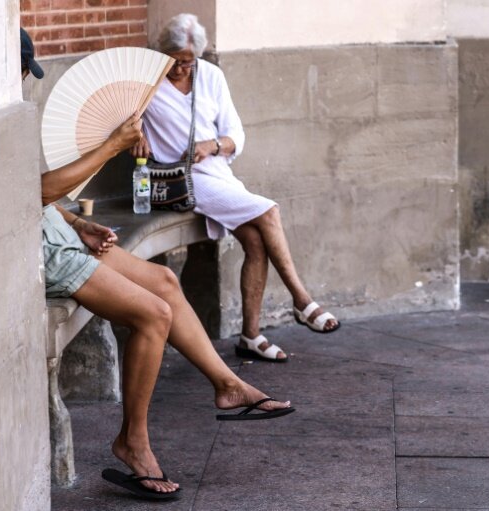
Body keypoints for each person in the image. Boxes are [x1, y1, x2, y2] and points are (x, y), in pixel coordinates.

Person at [20, 28, 293, 500]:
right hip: (44, 250)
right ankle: (133, 442)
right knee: (154, 315)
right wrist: (111, 145)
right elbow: (38, 191)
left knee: (164, 280)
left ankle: (228, 384)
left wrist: (79, 223)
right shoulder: (1, 113)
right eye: (25, 69)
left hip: (58, 230)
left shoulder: (12, 107)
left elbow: (36, 195)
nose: (27, 78)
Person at [133, 14, 341, 363]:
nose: (181, 68)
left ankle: (250, 336)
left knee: (256, 241)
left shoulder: (211, 76)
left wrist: (212, 145)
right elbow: (123, 122)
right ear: (161, 52)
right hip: (180, 180)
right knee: (269, 211)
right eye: (174, 60)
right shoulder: (145, 83)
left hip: (217, 173)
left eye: (188, 61)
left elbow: (235, 136)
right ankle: (302, 299)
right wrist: (135, 135)